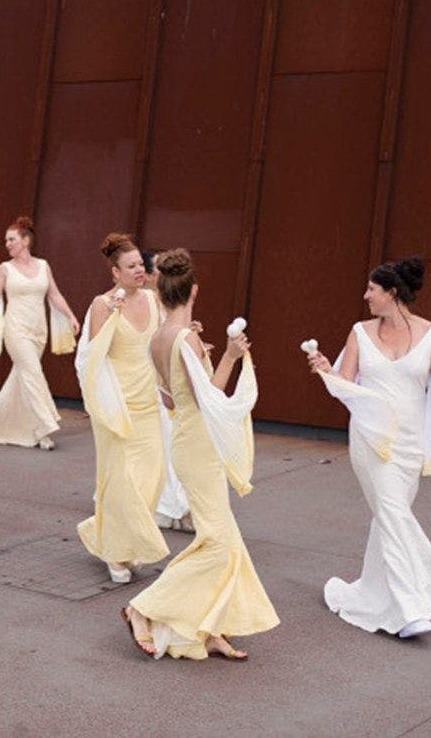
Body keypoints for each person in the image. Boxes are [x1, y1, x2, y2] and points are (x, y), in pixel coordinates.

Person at [306, 257, 431, 638]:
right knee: (394, 513)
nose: (365, 296)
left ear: (392, 293)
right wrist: (325, 370)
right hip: (369, 439)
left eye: (372, 290)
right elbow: (345, 385)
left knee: (388, 516)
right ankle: (413, 607)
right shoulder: (359, 332)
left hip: (410, 445)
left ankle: (372, 595)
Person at [122, 249, 279, 660]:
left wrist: (200, 354)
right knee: (218, 542)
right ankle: (143, 608)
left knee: (225, 539)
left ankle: (212, 629)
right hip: (199, 445)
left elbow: (169, 399)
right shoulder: (185, 338)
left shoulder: (160, 337)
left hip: (186, 440)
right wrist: (229, 354)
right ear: (193, 290)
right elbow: (209, 394)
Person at [76, 234, 169, 583]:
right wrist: (112, 318)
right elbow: (93, 357)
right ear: (115, 272)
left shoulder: (152, 299)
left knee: (152, 476)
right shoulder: (102, 304)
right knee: (119, 480)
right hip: (115, 404)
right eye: (131, 267)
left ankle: (108, 533)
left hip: (147, 402)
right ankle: (115, 552)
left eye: (141, 265)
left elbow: (160, 344)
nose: (140, 271)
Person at [0, 216, 79, 450]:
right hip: (16, 329)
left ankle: (0, 425)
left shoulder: (43, 265)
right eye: (6, 240)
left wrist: (70, 316)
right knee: (33, 374)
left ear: (26, 240)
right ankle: (45, 428)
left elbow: (55, 294)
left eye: (12, 239)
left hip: (39, 330)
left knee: (23, 378)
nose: (7, 244)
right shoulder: (5, 268)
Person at [141, 248, 193, 533]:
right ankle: (172, 506)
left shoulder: (173, 305)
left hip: (168, 379)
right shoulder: (144, 302)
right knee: (164, 441)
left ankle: (176, 505)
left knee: (171, 441)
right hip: (152, 379)